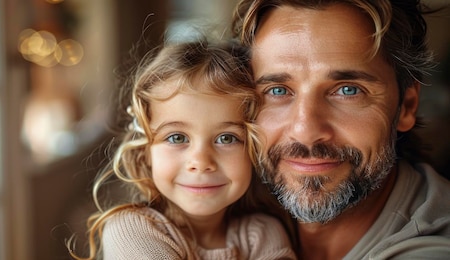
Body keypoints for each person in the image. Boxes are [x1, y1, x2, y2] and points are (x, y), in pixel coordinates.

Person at [231, 0, 450, 259]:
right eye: (277, 91)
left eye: (348, 90)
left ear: (407, 105)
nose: (305, 131)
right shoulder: (224, 193)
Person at [68, 39, 297, 259]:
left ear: (253, 150)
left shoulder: (263, 233)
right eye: (177, 137)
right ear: (145, 152)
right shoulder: (131, 230)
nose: (201, 160)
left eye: (226, 138)